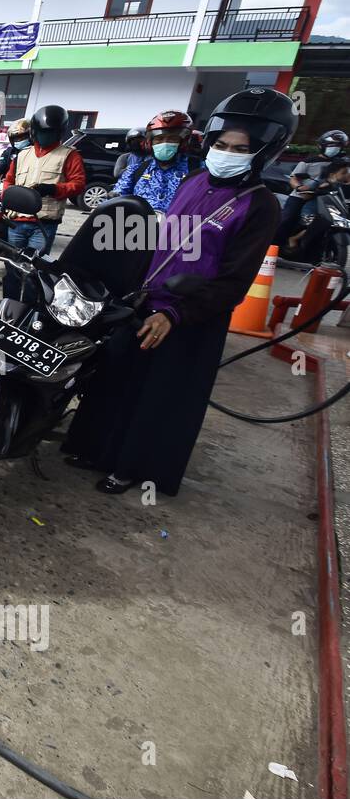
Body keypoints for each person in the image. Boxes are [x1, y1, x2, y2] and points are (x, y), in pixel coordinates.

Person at [61, 87, 292, 497]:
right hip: (144, 300)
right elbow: (157, 241)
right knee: (113, 378)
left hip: (188, 317)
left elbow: (234, 281)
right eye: (221, 144)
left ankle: (132, 467)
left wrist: (175, 315)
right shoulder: (194, 179)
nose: (226, 152)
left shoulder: (259, 205)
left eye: (239, 148)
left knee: (158, 396)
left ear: (263, 152)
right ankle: (91, 447)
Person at [1, 105, 86, 301]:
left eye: (51, 132)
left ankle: (30, 309)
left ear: (59, 132)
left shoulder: (69, 155)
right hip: (15, 222)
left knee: (35, 270)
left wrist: (54, 189)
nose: (45, 136)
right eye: (42, 132)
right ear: (34, 131)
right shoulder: (22, 154)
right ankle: (9, 305)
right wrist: (7, 194)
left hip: (43, 225)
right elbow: (9, 179)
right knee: (12, 266)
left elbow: (78, 184)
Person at [273, 129, 347, 249]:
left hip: (324, 198)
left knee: (324, 222)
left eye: (338, 146)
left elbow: (344, 179)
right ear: (322, 146)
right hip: (300, 196)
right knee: (287, 218)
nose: (335, 148)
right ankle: (272, 245)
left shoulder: (339, 164)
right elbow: (293, 178)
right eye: (332, 145)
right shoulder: (308, 162)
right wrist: (299, 187)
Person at [112, 110, 197, 213]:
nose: (165, 144)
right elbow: (118, 198)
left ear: (183, 142)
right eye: (159, 139)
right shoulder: (136, 170)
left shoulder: (198, 171)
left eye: (172, 139)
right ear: (150, 142)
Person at [290, 158, 350, 265]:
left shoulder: (339, 186)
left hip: (327, 212)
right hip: (311, 211)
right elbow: (305, 194)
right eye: (343, 173)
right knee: (315, 225)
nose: (346, 175)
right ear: (333, 174)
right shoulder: (320, 181)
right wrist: (316, 190)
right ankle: (293, 239)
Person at [0, 118, 31, 187]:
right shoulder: (9, 152)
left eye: (21, 137)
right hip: (9, 186)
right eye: (15, 138)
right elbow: (1, 165)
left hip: (28, 187)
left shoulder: (34, 153)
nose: (18, 140)